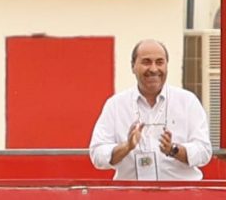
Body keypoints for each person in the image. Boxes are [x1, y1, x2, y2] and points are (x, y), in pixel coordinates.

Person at [89, 39, 213, 180]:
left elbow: (204, 151)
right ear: (133, 66)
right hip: (132, 196)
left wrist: (173, 149)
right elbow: (97, 154)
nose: (154, 69)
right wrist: (126, 147)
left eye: (160, 62)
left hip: (180, 195)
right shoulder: (116, 105)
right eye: (146, 62)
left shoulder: (187, 101)